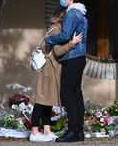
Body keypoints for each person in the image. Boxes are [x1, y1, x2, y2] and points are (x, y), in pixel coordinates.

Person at [29, 8, 82, 142]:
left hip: (52, 70)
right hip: (49, 70)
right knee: (41, 101)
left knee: (48, 100)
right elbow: (58, 51)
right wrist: (72, 43)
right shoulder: (56, 30)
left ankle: (47, 131)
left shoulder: (55, 29)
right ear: (63, 19)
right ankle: (34, 131)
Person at [45, 0, 88, 143]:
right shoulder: (82, 14)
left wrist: (49, 39)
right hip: (80, 57)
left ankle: (73, 131)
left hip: (72, 58)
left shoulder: (72, 13)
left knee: (67, 93)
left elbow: (64, 35)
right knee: (76, 94)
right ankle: (78, 131)